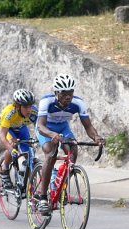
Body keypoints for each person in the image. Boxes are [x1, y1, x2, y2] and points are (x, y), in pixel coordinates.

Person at [36, 74, 105, 215]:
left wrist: (96, 137)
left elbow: (88, 126)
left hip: (63, 128)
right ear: (56, 92)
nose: (68, 97)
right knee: (50, 153)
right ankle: (43, 197)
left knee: (73, 149)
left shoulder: (78, 103)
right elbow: (40, 126)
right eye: (64, 93)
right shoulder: (46, 102)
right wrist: (52, 135)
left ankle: (60, 183)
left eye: (71, 93)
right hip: (46, 129)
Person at [0, 89, 38, 189]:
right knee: (13, 145)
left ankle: (24, 179)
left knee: (29, 155)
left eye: (30, 106)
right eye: (25, 107)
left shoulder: (34, 112)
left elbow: (40, 128)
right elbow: (3, 136)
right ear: (17, 106)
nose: (29, 109)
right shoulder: (9, 113)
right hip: (9, 129)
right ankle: (5, 169)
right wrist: (11, 150)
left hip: (21, 128)